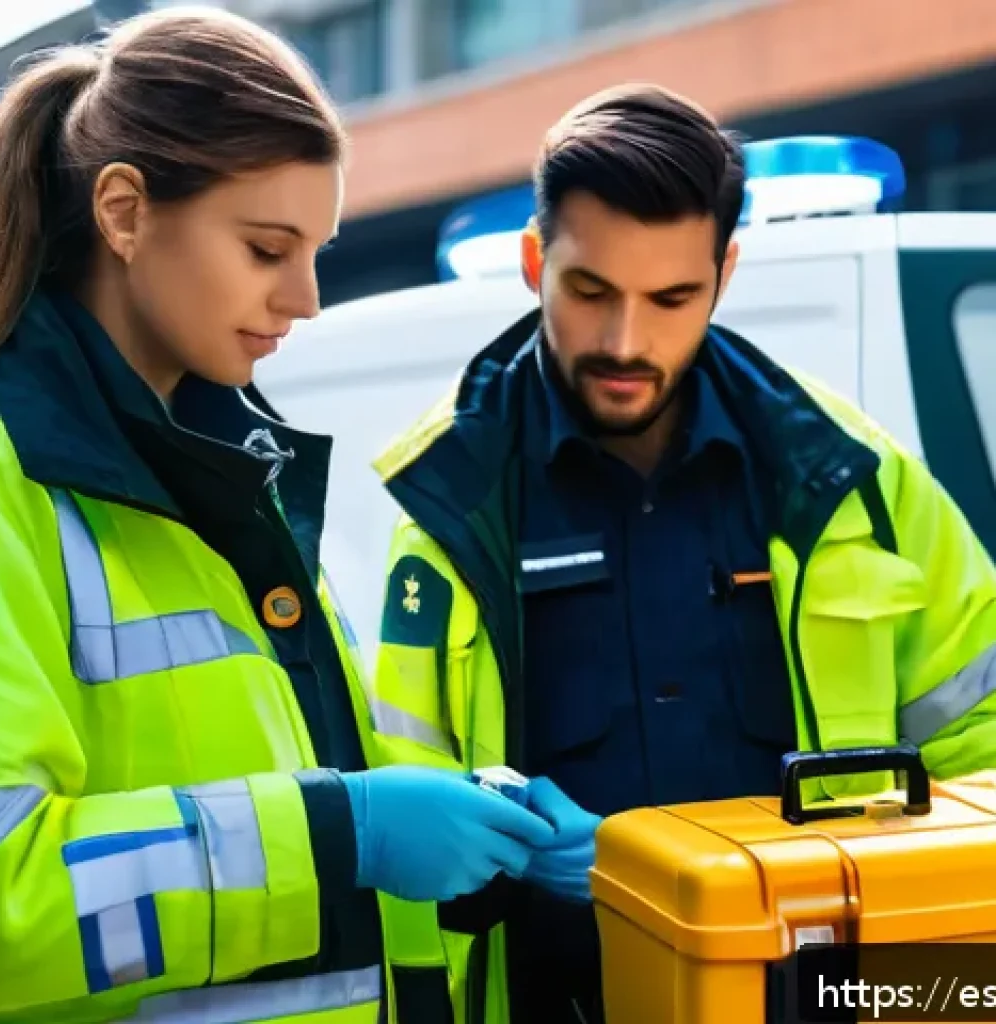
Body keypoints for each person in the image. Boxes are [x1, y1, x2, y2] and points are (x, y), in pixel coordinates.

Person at [0, 9, 558, 1023]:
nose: (307, 297)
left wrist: (475, 832)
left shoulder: (237, 473)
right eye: (266, 247)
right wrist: (348, 830)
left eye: (315, 249)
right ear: (123, 211)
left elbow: (283, 794)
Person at [367, 83, 996, 1023]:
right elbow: (410, 859)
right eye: (590, 291)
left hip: (829, 1002)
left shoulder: (859, 486)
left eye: (672, 297)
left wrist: (933, 1005)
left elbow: (982, 773)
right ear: (537, 261)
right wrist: (485, 855)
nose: (627, 341)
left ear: (725, 273)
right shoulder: (450, 515)